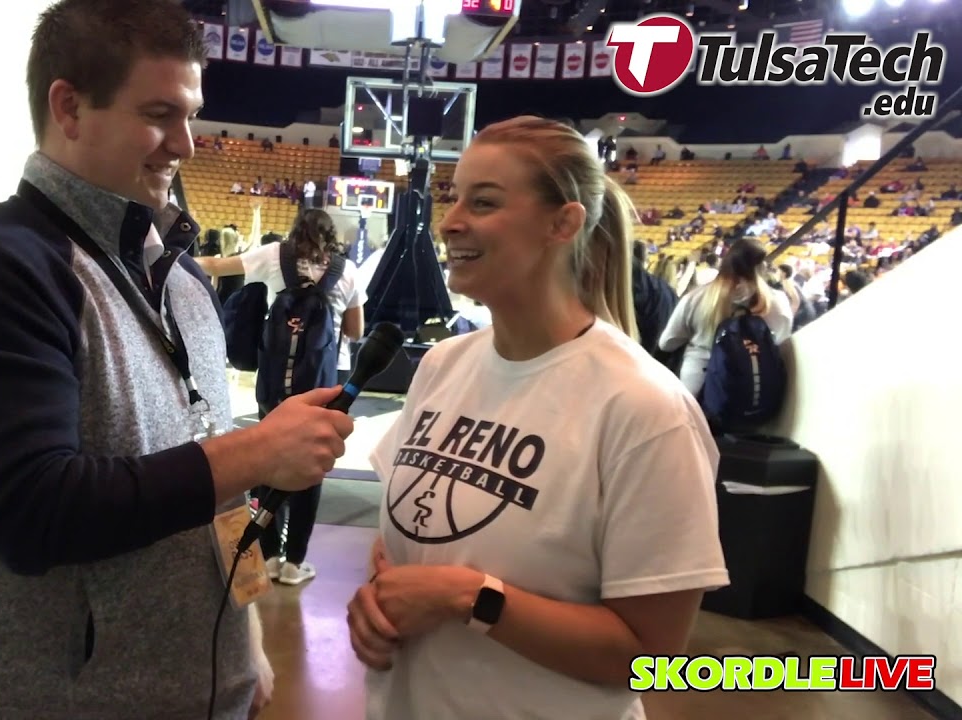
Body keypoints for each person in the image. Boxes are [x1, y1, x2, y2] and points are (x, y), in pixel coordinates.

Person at [0, 2, 354, 718]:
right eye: (160, 113)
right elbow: (34, 514)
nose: (187, 144)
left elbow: (221, 503)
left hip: (209, 695)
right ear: (69, 107)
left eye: (191, 115)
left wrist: (248, 635)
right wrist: (259, 450)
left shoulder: (187, 283)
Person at [345, 116, 729, 720]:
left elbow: (653, 656)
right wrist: (377, 594)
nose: (449, 220)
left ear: (563, 223)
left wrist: (469, 598)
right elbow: (409, 537)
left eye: (485, 201)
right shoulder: (443, 366)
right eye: (454, 197)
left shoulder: (646, 410)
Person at [197, 207, 365, 586]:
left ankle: (269, 554)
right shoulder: (347, 271)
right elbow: (355, 331)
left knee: (266, 458)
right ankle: (295, 563)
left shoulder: (276, 256)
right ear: (331, 237)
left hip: (275, 384)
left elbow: (217, 265)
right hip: (322, 384)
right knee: (312, 466)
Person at [657, 238, 794, 397]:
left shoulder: (697, 297)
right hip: (758, 391)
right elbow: (782, 344)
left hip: (699, 385)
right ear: (762, 267)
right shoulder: (779, 302)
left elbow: (666, 343)